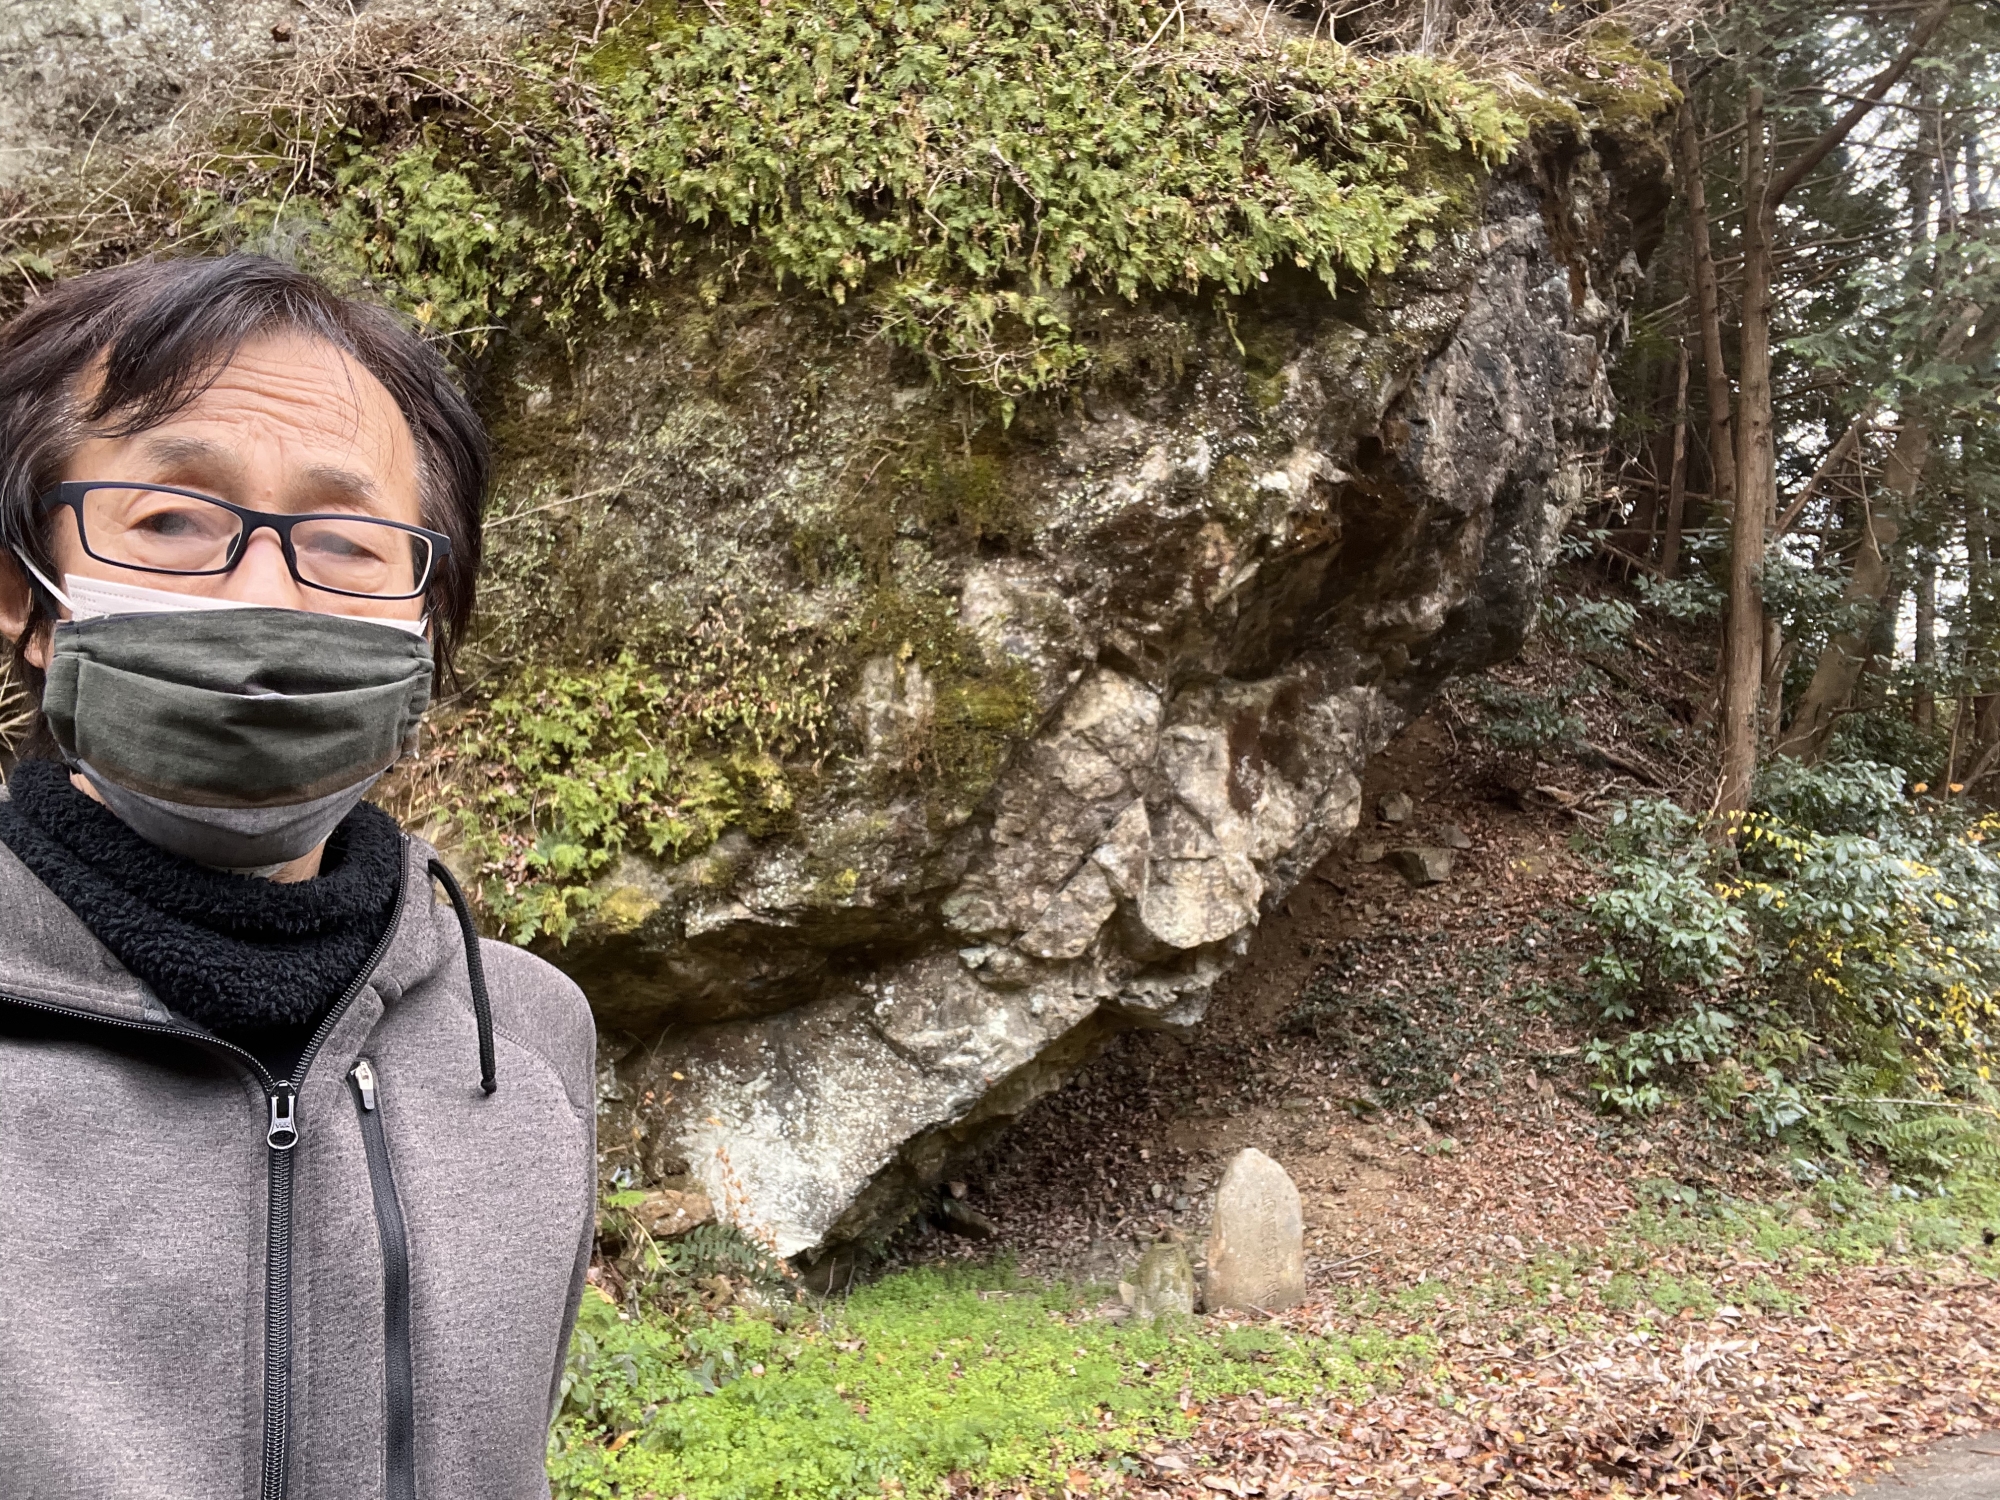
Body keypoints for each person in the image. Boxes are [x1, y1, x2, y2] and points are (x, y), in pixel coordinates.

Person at [0, 255, 597, 1500]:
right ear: (29, 597)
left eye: (345, 541)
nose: (263, 595)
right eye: (172, 521)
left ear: (426, 621)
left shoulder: (527, 1038)